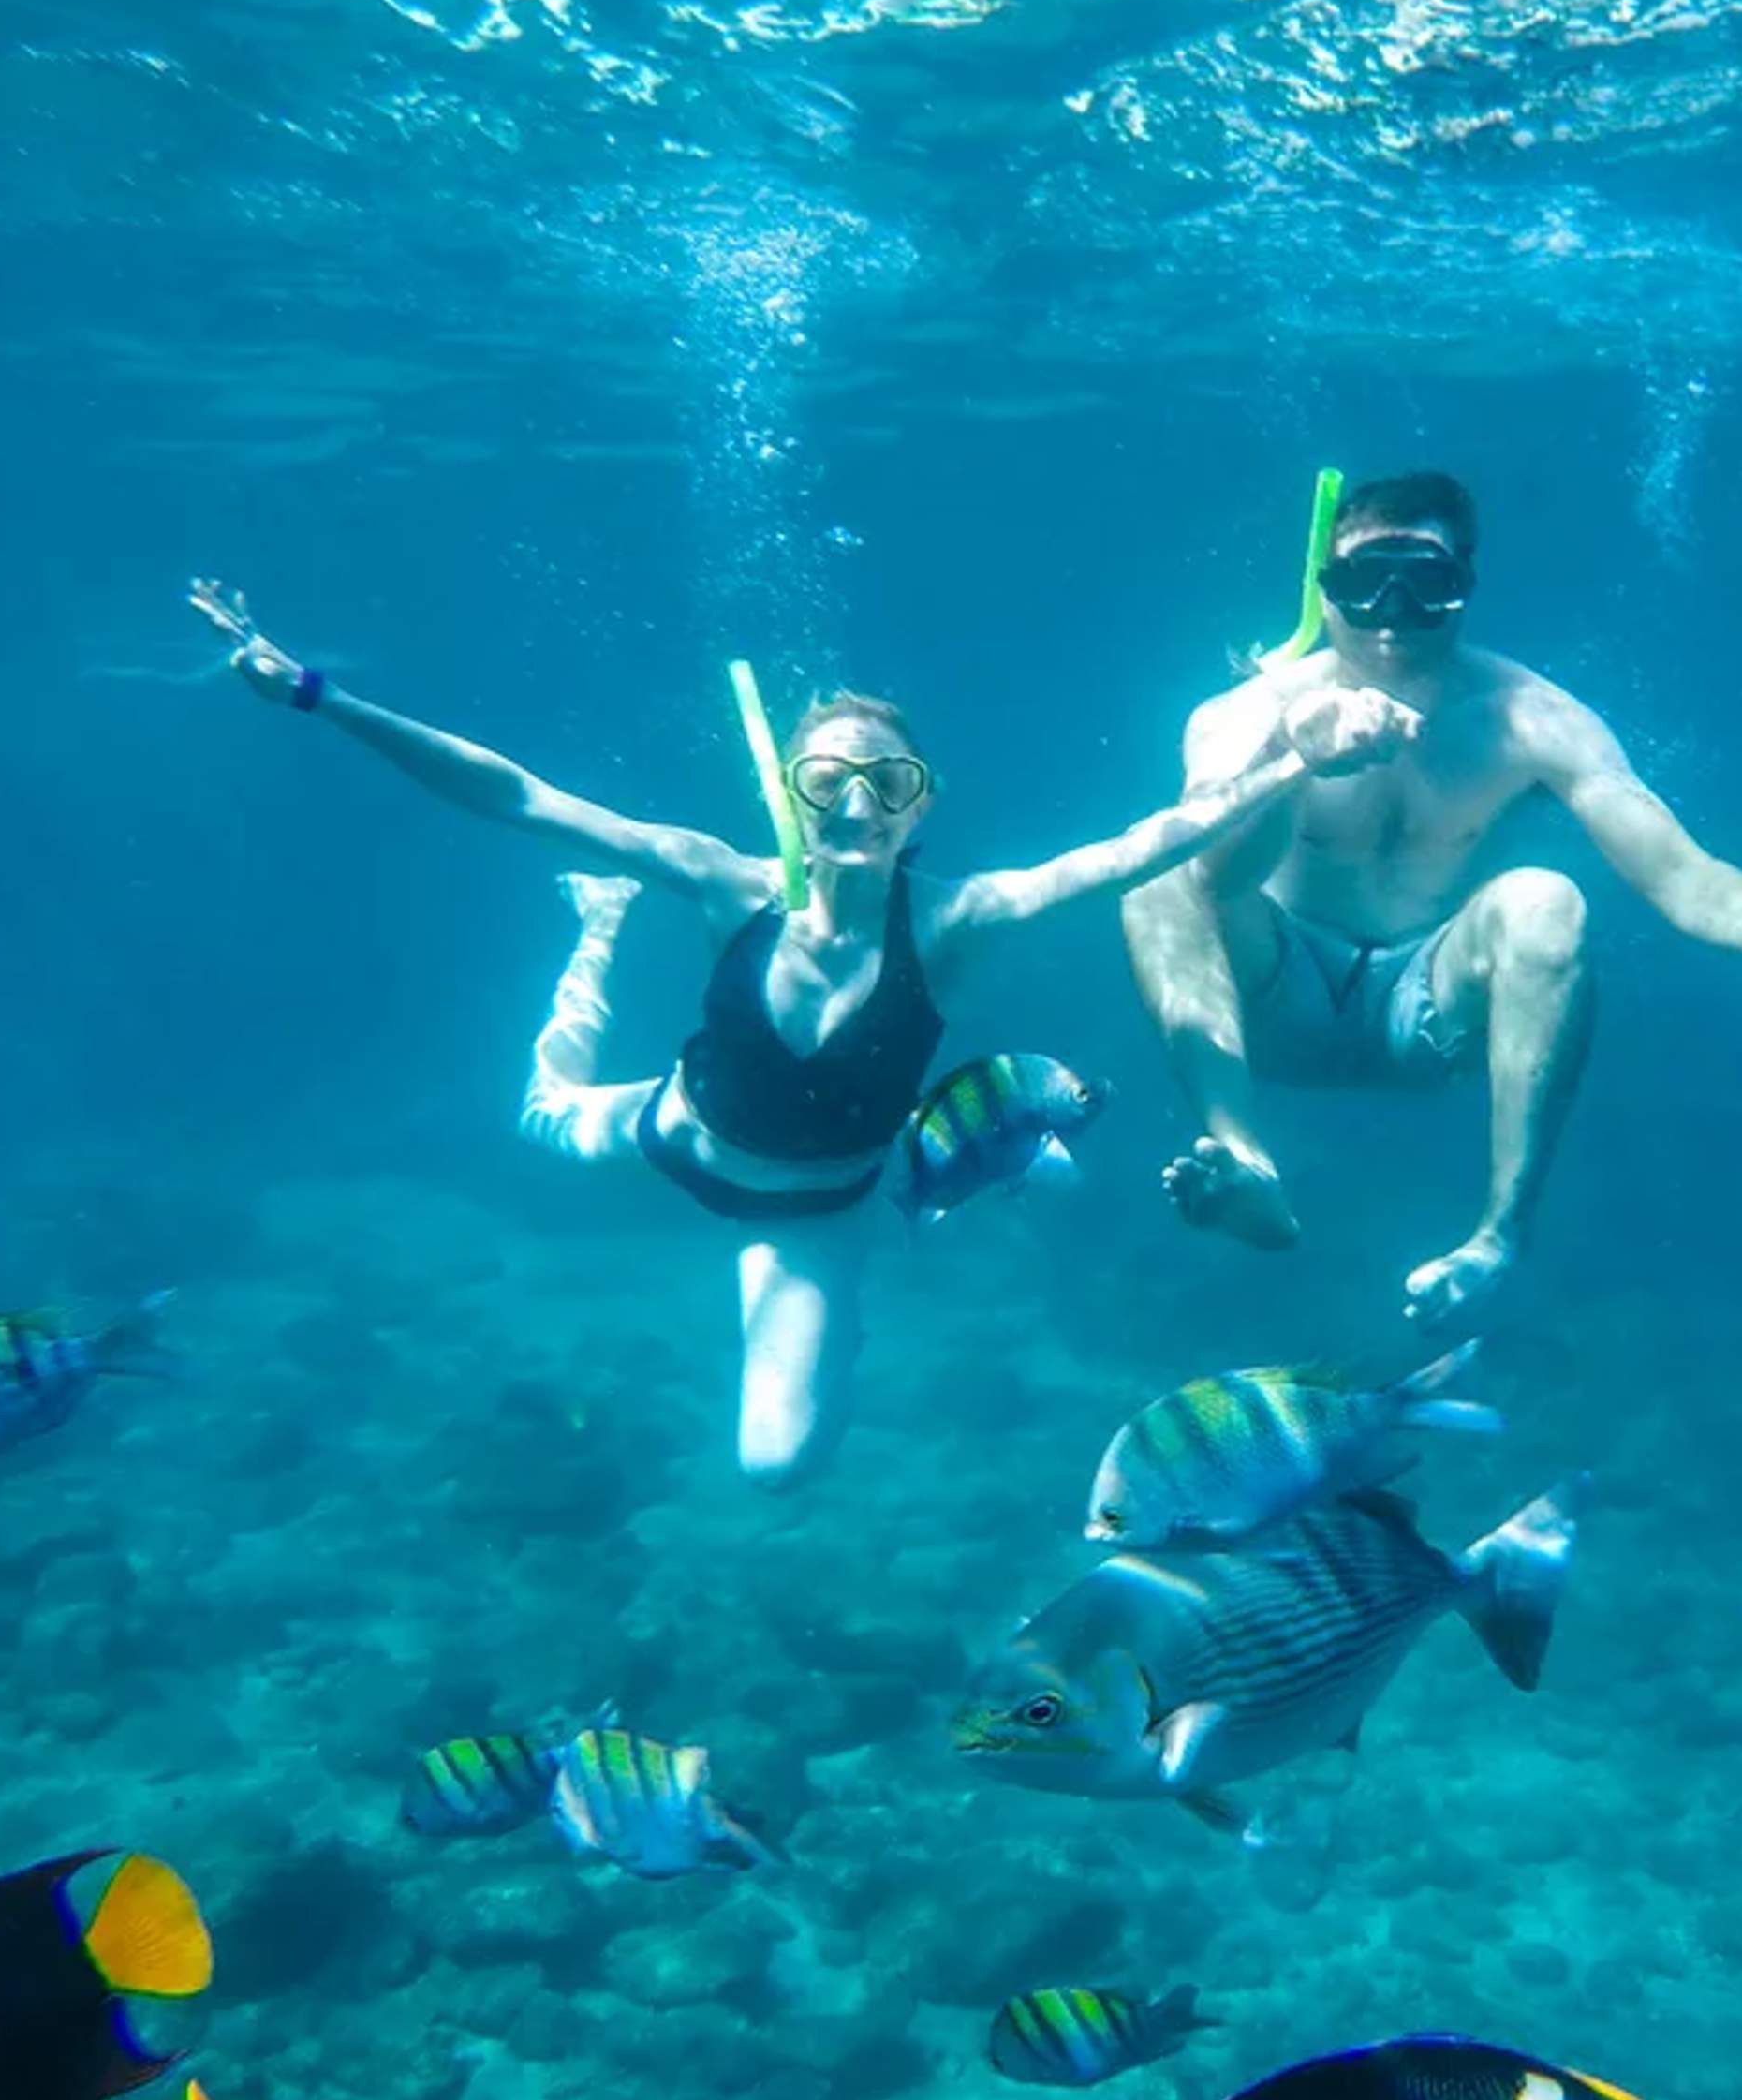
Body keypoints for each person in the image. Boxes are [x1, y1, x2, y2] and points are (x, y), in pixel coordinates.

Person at [199, 582, 1410, 1488]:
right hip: (670, 1133)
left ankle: (932, 1202)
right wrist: (322, 697)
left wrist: (1290, 769)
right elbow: (517, 796)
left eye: (885, 785)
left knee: (778, 1468)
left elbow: (1144, 846)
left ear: (920, 802)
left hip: (821, 1213)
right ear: (786, 794)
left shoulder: (957, 924)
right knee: (536, 1111)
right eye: (825, 782)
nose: (854, 807)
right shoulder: (726, 883)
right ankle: (594, 937)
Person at [1118, 471, 1742, 1327]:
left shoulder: (1534, 720)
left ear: (1466, 588)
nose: (1391, 611)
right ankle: (1245, 1161)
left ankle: (1498, 1236)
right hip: (1271, 1006)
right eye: (1363, 583)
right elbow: (1213, 880)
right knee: (1157, 871)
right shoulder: (1245, 715)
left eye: (1425, 582)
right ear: (1325, 594)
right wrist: (1292, 762)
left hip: (1427, 1017)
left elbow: (1679, 872)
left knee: (1547, 898)